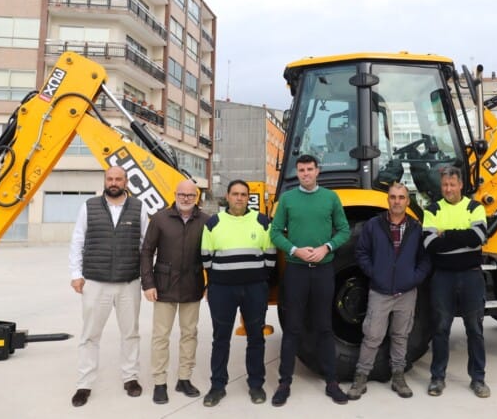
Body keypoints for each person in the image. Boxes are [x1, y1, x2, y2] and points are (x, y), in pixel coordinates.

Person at [270, 154, 351, 406]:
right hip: (296, 271)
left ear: (318, 171)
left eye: (309, 169)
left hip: (323, 271)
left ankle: (331, 381)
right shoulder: (287, 199)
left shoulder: (330, 198)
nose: (305, 174)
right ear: (298, 172)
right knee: (292, 327)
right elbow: (275, 232)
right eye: (302, 170)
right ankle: (284, 382)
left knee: (324, 326)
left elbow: (344, 230)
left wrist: (327, 247)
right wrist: (294, 250)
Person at [69, 166, 150, 407]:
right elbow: (77, 240)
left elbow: (146, 247)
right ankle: (84, 384)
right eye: (110, 178)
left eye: (118, 178)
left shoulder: (139, 207)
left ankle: (130, 378)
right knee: (89, 336)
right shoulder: (89, 206)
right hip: (95, 282)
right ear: (105, 181)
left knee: (131, 334)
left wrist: (146, 279)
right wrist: (76, 274)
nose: (114, 182)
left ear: (126, 182)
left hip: (129, 282)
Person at [346, 183, 431, 400]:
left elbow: (424, 258)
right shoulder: (374, 225)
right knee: (372, 336)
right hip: (380, 291)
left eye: (401, 197)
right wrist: (374, 273)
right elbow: (362, 252)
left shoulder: (415, 228)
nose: (397, 201)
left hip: (406, 293)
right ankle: (361, 377)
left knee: (401, 336)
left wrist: (414, 278)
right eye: (393, 197)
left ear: (407, 201)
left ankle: (398, 377)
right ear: (388, 200)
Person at [200, 179, 277, 407]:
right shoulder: (214, 222)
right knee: (220, 339)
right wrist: (216, 281)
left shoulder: (262, 221)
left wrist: (260, 281)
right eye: (235, 194)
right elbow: (206, 256)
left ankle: (256, 385)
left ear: (248, 197)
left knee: (256, 338)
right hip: (222, 290)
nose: (239, 198)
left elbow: (270, 255)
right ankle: (217, 387)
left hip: (254, 289)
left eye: (244, 194)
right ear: (228, 196)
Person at [422, 166, 491, 398]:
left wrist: (446, 235)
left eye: (452, 184)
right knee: (440, 328)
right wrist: (461, 236)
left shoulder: (475, 207)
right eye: (444, 185)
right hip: (443, 277)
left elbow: (478, 238)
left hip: (471, 275)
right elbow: (430, 245)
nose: (448, 189)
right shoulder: (432, 210)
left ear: (461, 185)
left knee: (475, 329)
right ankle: (437, 378)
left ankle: (478, 379)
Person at [140, 179, 208, 405]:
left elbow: (213, 255)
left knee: (190, 334)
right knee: (161, 336)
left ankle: (184, 379)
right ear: (176, 194)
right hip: (163, 287)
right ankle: (160, 383)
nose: (186, 198)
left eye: (190, 195)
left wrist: (210, 284)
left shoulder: (206, 221)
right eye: (182, 194)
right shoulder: (160, 219)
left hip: (193, 286)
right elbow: (147, 251)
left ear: (196, 196)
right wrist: (148, 283)